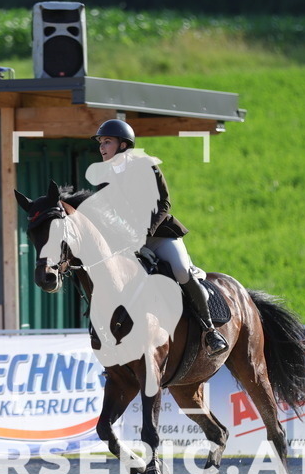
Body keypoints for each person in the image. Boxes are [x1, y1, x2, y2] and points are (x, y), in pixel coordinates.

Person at [88, 118, 228, 356]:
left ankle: (210, 330)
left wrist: (144, 235)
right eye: (101, 142)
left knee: (181, 271)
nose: (102, 147)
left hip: (160, 234)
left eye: (107, 141)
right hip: (128, 242)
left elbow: (164, 202)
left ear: (123, 145)